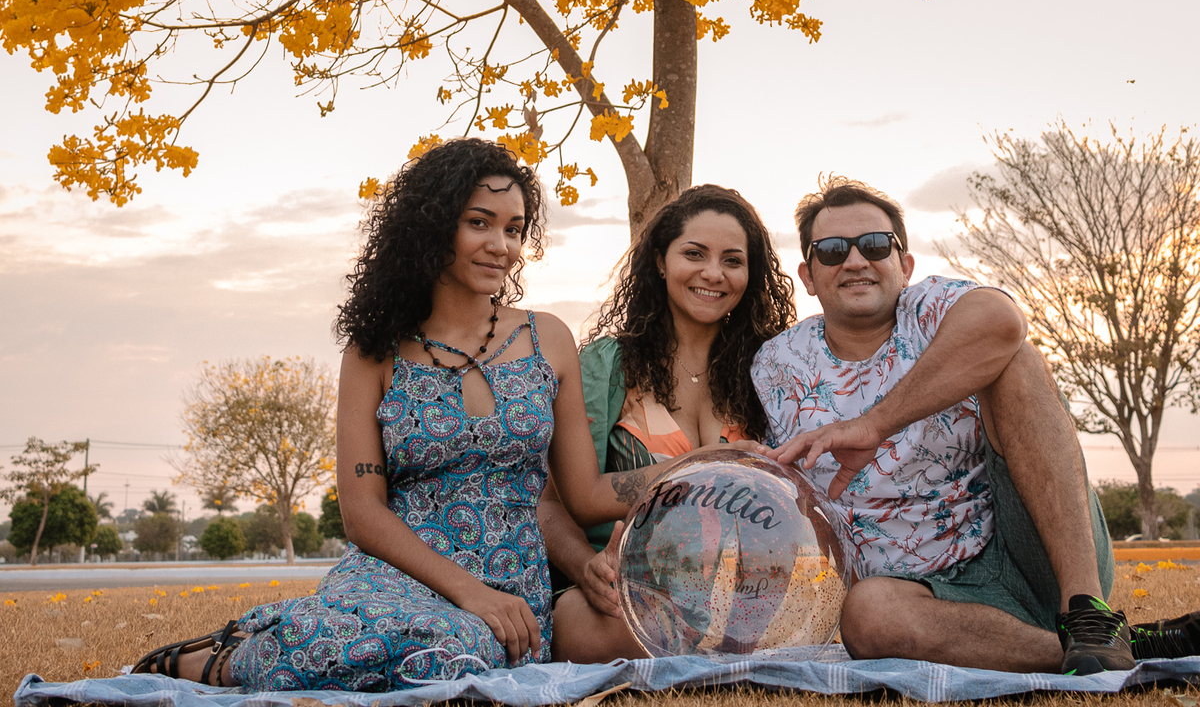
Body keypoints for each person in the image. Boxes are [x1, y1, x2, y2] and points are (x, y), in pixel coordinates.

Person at [131, 139, 638, 689]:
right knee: (453, 650)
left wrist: (704, 466)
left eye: (513, 229)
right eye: (479, 223)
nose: (501, 246)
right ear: (432, 227)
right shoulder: (374, 350)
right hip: (396, 574)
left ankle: (265, 642)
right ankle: (219, 663)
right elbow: (362, 512)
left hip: (511, 587)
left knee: (468, 653)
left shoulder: (549, 339)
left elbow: (570, 496)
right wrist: (467, 591)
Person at [752, 175, 1139, 676]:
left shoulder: (931, 310)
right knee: (867, 617)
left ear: (905, 265)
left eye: (874, 245)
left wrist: (874, 424)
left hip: (1025, 553)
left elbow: (1003, 322)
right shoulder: (776, 363)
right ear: (808, 275)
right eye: (831, 251)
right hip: (912, 598)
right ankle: (1121, 650)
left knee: (1018, 362)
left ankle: (1089, 616)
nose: (854, 261)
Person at [547, 183, 795, 661]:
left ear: (751, 273)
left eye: (732, 260)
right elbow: (551, 506)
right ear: (660, 261)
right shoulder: (605, 366)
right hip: (631, 591)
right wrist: (585, 570)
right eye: (694, 254)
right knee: (578, 626)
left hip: (750, 593)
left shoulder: (771, 368)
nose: (713, 273)